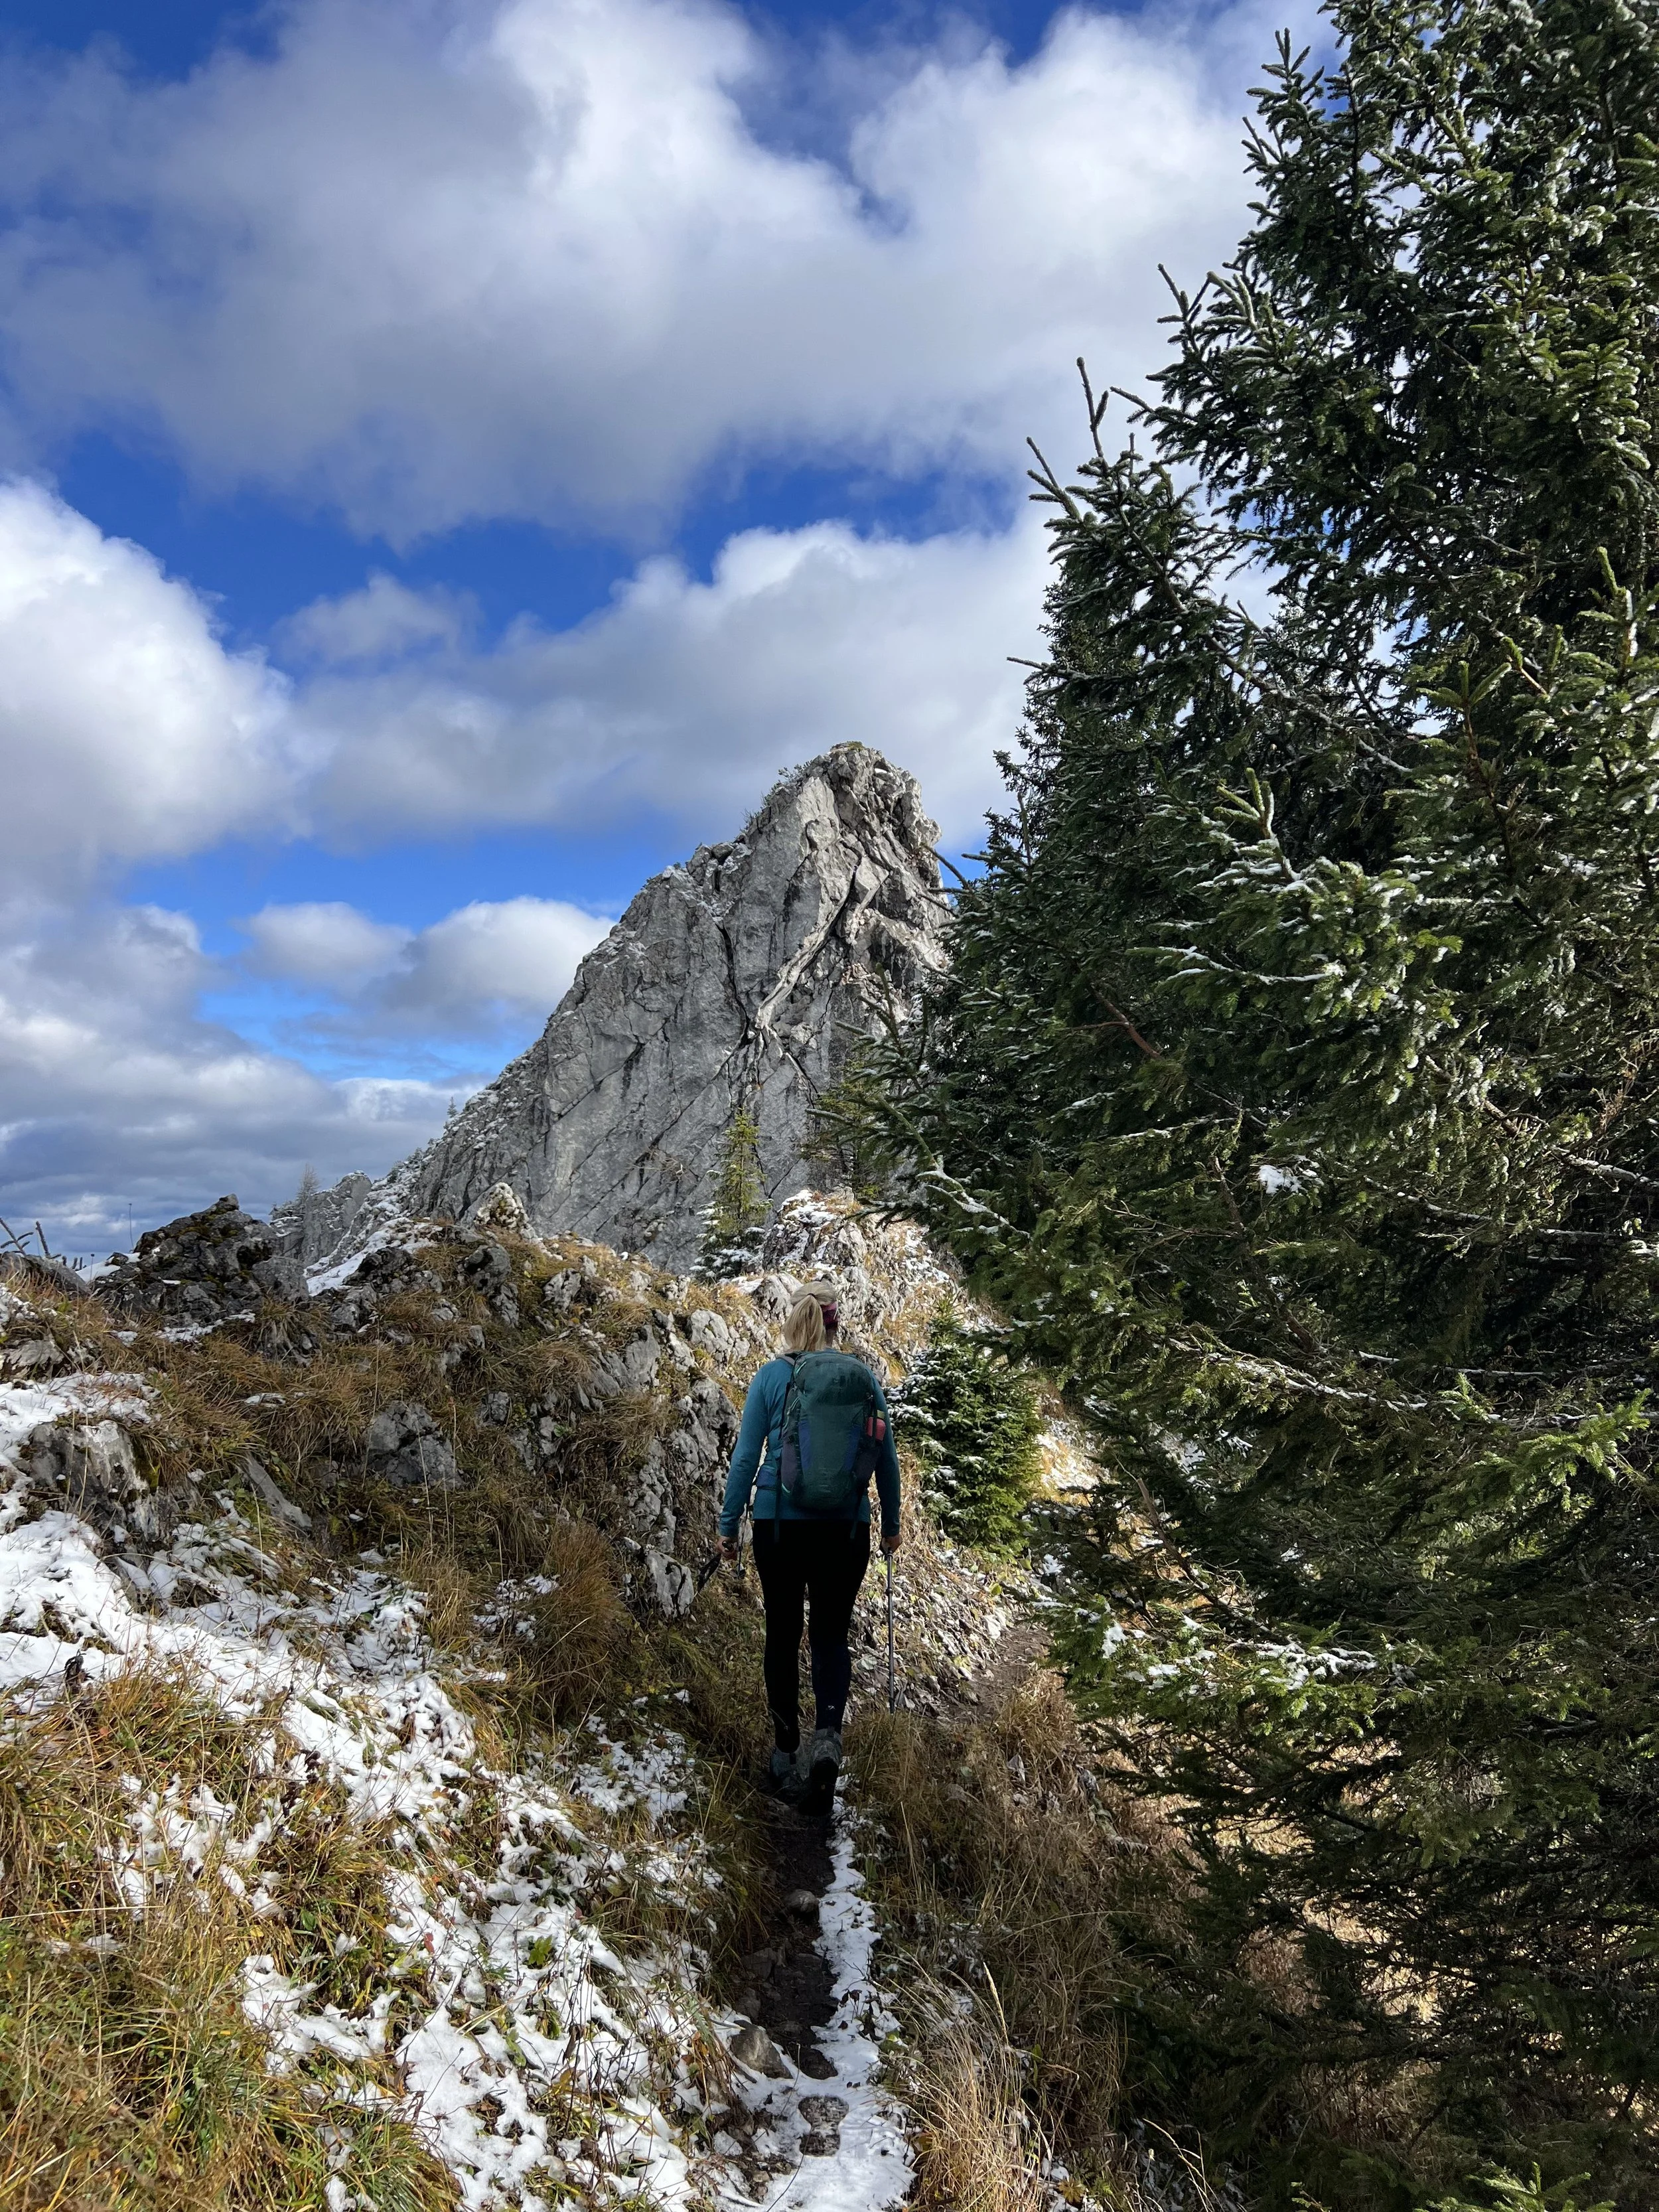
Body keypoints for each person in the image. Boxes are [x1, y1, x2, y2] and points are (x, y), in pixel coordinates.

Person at [717, 1277, 901, 1810]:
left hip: (780, 1525)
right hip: (845, 1529)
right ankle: (827, 1740)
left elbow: (746, 1458)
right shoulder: (861, 1375)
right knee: (830, 1635)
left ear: (794, 1317)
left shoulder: (773, 1376)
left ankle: (784, 1752)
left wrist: (729, 1526)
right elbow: (885, 1460)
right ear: (835, 1322)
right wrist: (890, 1525)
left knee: (782, 1634)